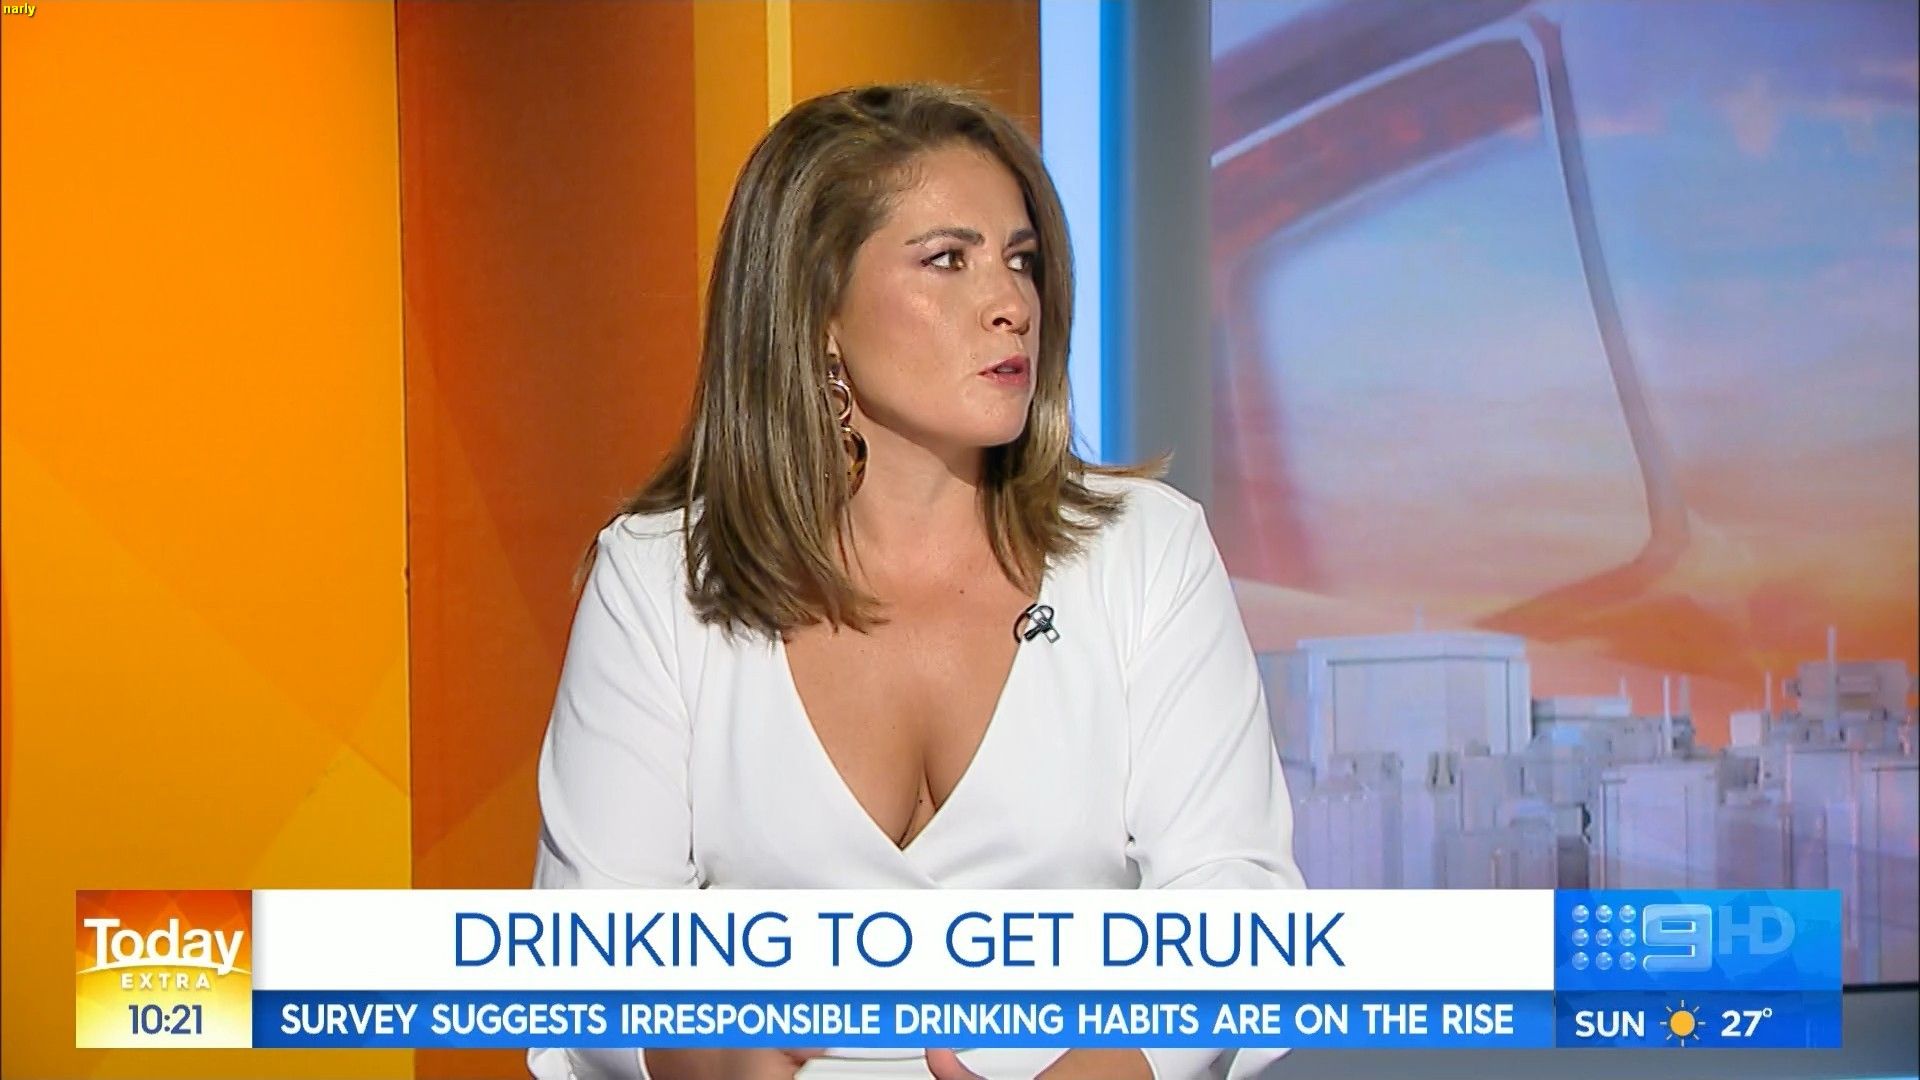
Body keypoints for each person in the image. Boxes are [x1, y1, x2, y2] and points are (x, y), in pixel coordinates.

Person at [528, 83, 1303, 1080]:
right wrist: (722, 1054)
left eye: (1021, 260)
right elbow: (591, 955)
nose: (1012, 302)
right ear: (818, 313)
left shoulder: (1147, 552)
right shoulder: (661, 580)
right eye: (949, 259)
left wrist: (1118, 1065)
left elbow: (1235, 901)